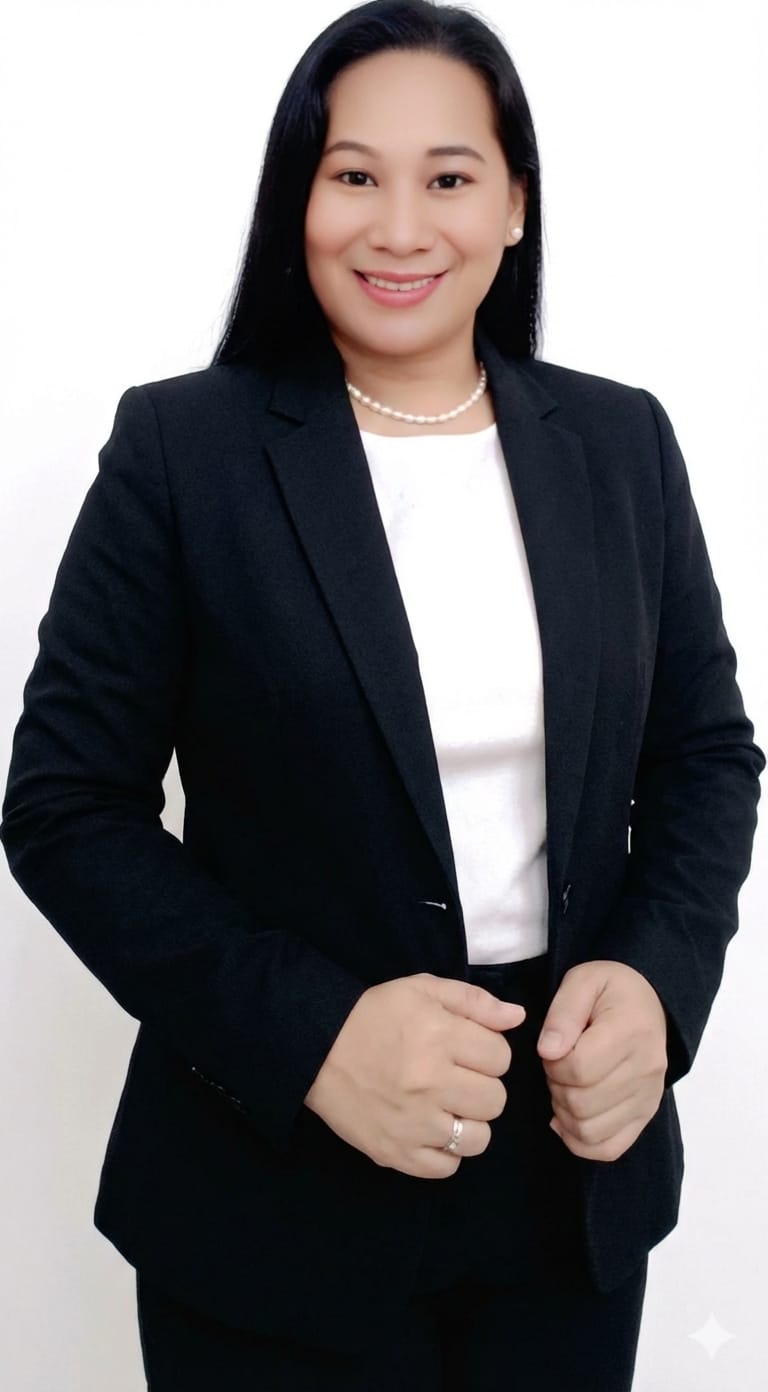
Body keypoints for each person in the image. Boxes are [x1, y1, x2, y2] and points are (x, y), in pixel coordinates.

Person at [1, 1, 763, 1387]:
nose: (399, 227)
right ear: (298, 197)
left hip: (571, 1185)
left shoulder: (619, 443)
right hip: (272, 1190)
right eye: (353, 173)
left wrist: (659, 985)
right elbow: (65, 807)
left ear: (515, 203)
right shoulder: (184, 449)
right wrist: (314, 1037)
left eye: (449, 177)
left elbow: (705, 756)